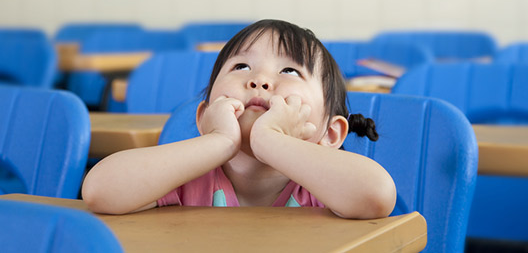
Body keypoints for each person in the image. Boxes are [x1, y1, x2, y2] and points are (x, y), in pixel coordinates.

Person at [82, 19, 396, 219]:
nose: (259, 80)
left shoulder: (324, 187)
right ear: (205, 116)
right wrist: (218, 141)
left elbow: (376, 195)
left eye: (289, 71)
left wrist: (270, 140)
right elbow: (99, 191)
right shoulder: (183, 180)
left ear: (330, 134)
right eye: (241, 67)